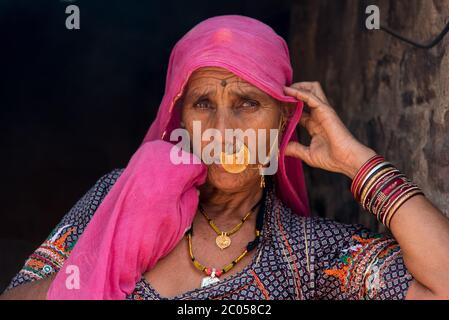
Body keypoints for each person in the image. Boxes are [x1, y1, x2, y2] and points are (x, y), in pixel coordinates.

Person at [2, 15, 449, 300]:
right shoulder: (118, 196)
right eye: (202, 105)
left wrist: (358, 164)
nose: (222, 131)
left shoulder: (311, 254)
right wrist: (111, 253)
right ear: (179, 120)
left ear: (282, 121)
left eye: (247, 104)